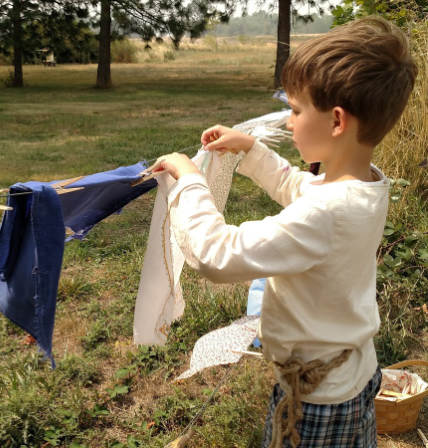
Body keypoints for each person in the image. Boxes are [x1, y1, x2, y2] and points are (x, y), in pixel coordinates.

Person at [149, 16, 417, 448]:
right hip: (353, 375)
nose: (289, 122)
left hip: (317, 402)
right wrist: (251, 150)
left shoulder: (329, 210)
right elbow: (299, 187)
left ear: (336, 122)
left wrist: (189, 180)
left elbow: (216, 254)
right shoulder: (364, 185)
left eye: (295, 110)